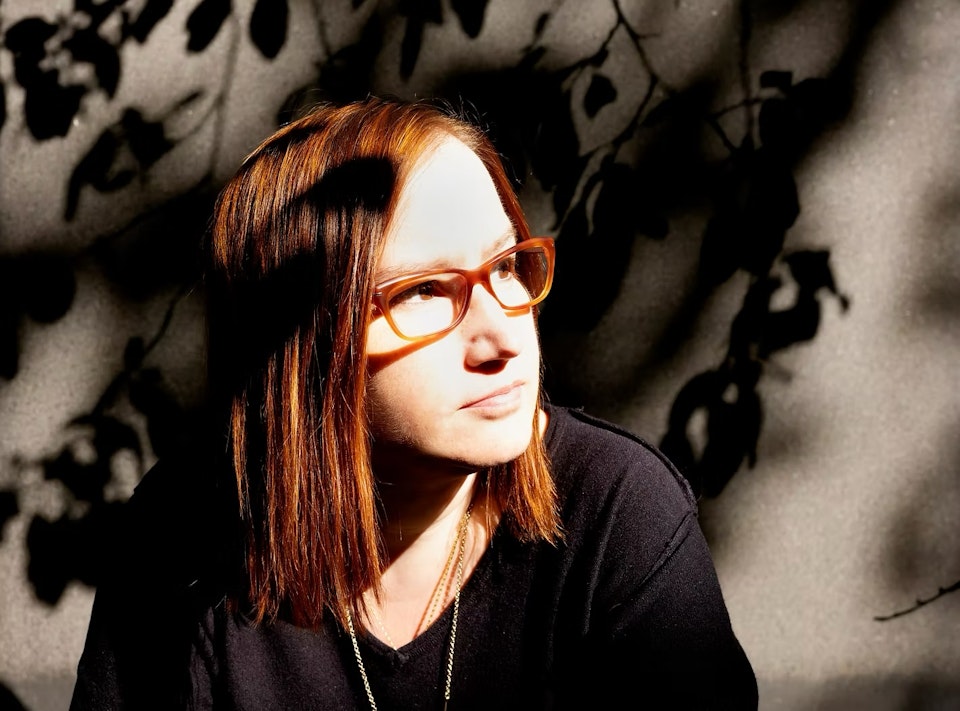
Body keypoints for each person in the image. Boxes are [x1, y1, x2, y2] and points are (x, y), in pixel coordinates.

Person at [70, 96, 758, 709]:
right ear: (307, 344)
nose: (501, 337)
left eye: (505, 266)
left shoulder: (616, 513)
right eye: (424, 291)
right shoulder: (186, 542)